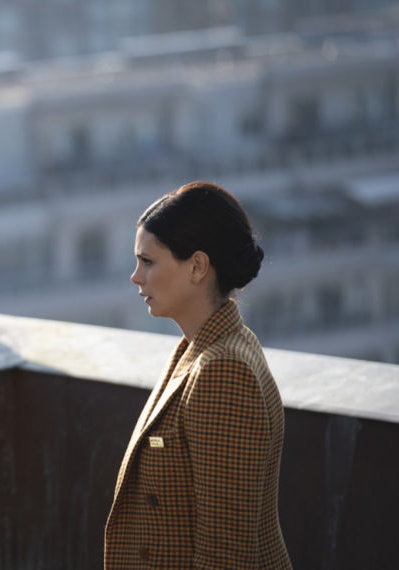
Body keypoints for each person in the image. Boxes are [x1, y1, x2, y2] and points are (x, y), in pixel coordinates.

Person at [104, 181, 291, 568]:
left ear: (197, 266)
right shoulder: (203, 348)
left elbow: (226, 554)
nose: (135, 277)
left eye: (149, 262)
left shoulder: (223, 370)